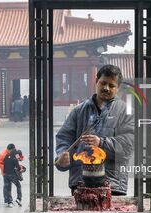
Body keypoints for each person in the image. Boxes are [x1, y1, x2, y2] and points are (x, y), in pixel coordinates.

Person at [55, 64, 134, 195]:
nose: (106, 88)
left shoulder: (125, 112)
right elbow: (64, 138)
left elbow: (129, 145)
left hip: (112, 184)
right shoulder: (78, 111)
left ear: (118, 88)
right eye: (103, 83)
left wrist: (101, 142)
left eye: (112, 85)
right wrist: (62, 155)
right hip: (80, 183)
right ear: (96, 81)